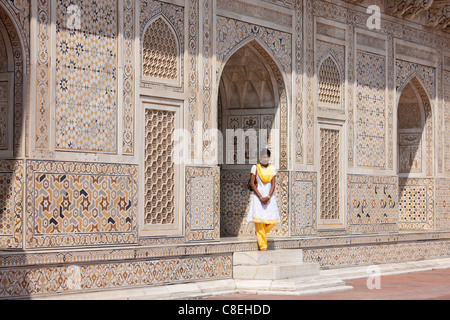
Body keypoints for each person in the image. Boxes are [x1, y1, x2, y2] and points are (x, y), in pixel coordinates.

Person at [247, 149, 280, 251]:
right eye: (263, 157)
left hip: (269, 198)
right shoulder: (255, 168)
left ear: (269, 158)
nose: (265, 159)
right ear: (260, 158)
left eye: (267, 157)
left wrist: (268, 196)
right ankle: (263, 246)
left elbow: (273, 184)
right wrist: (260, 196)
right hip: (258, 197)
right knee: (259, 221)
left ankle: (260, 234)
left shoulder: (272, 169)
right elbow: (252, 183)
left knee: (273, 220)